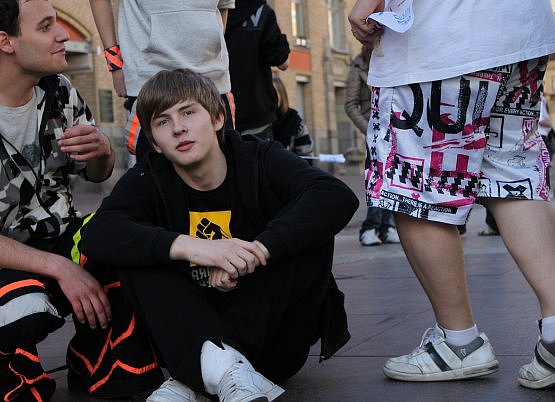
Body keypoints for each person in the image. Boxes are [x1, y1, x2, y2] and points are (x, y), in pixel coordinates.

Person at [349, 0, 555, 390]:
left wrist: (367, 4)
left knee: (418, 185)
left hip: (439, 36)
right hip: (521, 34)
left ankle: (459, 342)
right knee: (514, 176)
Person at [80, 69, 358, 401]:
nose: (178, 128)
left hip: (273, 343)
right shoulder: (150, 176)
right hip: (187, 335)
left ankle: (202, 376)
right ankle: (219, 371)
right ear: (154, 142)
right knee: (137, 250)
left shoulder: (259, 157)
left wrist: (256, 252)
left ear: (217, 118)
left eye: (188, 112)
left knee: (310, 229)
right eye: (163, 121)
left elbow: (335, 196)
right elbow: (98, 232)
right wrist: (193, 248)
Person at [0, 0, 118, 400]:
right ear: (6, 42)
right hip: (11, 264)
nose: (63, 34)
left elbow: (97, 174)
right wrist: (59, 268)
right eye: (46, 26)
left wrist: (102, 150)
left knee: (128, 242)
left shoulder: (59, 90)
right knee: (23, 306)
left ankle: (97, 363)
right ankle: (18, 372)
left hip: (64, 237)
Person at [88, 0, 236, 163]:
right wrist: (115, 65)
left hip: (213, 82)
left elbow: (223, 6)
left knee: (224, 167)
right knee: (156, 172)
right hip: (151, 83)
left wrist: (214, 52)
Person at [344, 45, 399, 246]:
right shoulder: (358, 67)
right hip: (374, 130)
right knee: (378, 178)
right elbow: (350, 105)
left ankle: (387, 227)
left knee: (393, 178)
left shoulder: (392, 61)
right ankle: (369, 228)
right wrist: (369, 129)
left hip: (395, 127)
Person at [225, 0, 290, 138]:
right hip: (257, 115)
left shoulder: (213, 10)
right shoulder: (262, 12)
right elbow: (283, 62)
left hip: (221, 113)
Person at [272, 75, 314, 159]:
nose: (269, 97)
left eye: (273, 93)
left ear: (281, 95)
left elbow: (306, 157)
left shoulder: (294, 121)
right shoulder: (255, 120)